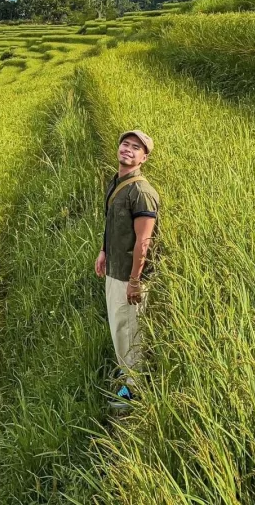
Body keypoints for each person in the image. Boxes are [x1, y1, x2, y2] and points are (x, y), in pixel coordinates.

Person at [95, 129, 159, 407]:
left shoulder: (142, 192)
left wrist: (135, 281)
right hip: (114, 268)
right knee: (119, 328)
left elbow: (143, 241)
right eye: (125, 144)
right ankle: (126, 374)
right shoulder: (117, 182)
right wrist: (104, 251)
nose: (128, 149)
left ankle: (132, 393)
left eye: (136, 148)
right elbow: (114, 224)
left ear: (143, 158)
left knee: (130, 331)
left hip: (129, 276)